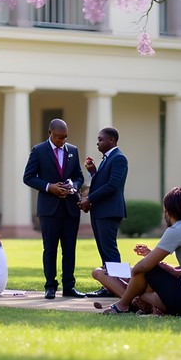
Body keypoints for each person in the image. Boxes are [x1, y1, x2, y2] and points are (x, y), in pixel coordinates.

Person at [100, 187, 181, 316]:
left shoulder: (177, 229)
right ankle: (139, 303)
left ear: (168, 210)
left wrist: (132, 273)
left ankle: (122, 305)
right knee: (148, 278)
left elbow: (144, 266)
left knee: (145, 270)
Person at [23, 118, 86, 299]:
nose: (62, 141)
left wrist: (72, 184)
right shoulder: (39, 150)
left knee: (70, 248)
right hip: (49, 209)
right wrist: (50, 187)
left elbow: (79, 177)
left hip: (70, 208)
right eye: (58, 137)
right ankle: (50, 285)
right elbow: (28, 177)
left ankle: (69, 286)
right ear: (50, 133)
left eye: (65, 137)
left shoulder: (73, 151)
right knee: (50, 248)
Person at [80, 127, 128, 296]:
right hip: (100, 211)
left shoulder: (119, 158)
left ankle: (118, 287)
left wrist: (89, 199)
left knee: (109, 249)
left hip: (109, 211)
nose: (97, 142)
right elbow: (103, 182)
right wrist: (94, 172)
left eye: (100, 139)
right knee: (104, 249)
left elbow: (112, 185)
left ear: (112, 140)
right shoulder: (107, 159)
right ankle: (110, 285)